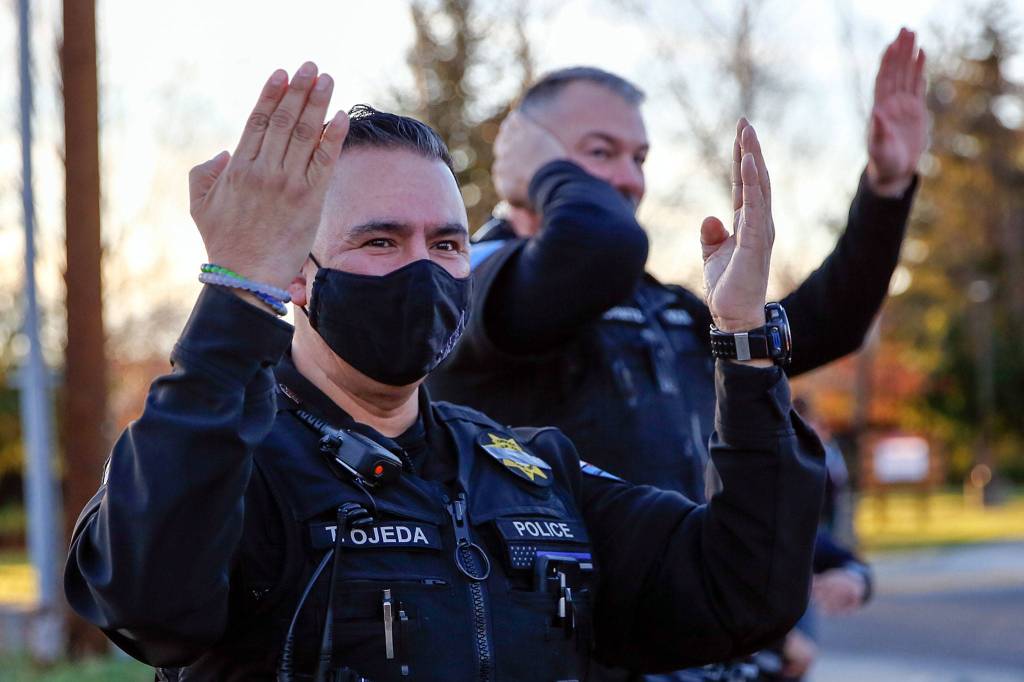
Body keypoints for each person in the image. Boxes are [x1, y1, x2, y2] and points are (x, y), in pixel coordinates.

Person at [64, 62, 825, 681]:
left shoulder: (533, 471)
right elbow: (148, 603)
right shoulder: (235, 462)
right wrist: (235, 293)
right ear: (297, 273)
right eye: (382, 242)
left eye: (448, 244)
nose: (424, 269)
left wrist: (746, 342)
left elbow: (744, 591)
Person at [427, 28, 926, 681]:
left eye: (640, 157)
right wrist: (544, 172)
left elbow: (819, 328)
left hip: (696, 649)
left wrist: (886, 191)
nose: (628, 179)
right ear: (519, 157)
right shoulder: (476, 281)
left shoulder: (661, 304)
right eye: (600, 152)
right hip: (562, 654)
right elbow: (597, 245)